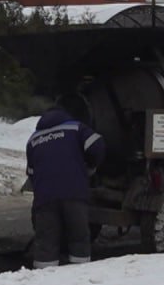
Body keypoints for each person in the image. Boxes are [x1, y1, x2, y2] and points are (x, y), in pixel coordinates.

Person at [25, 104, 106, 269]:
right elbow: (97, 144)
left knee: (46, 241)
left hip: (45, 198)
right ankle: (79, 276)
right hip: (74, 192)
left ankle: (44, 278)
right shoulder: (75, 128)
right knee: (78, 237)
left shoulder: (33, 139)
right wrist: (90, 167)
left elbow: (31, 172)